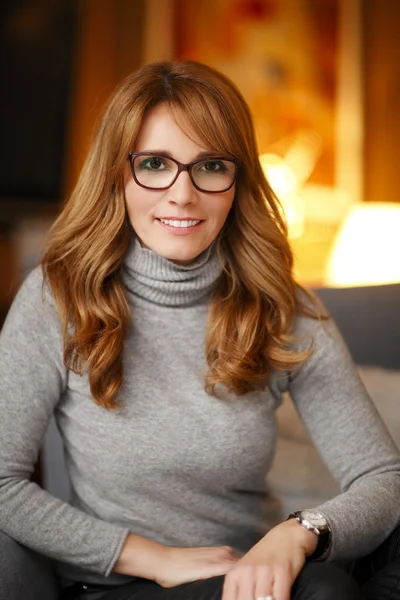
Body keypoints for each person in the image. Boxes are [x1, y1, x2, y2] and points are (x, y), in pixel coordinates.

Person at [0, 60, 400, 600]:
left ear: (238, 181)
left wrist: (300, 533)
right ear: (117, 173)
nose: (182, 194)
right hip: (123, 588)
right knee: (324, 592)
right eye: (155, 164)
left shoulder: (281, 307)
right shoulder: (60, 298)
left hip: (257, 579)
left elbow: (384, 479)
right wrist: (154, 559)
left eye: (210, 166)